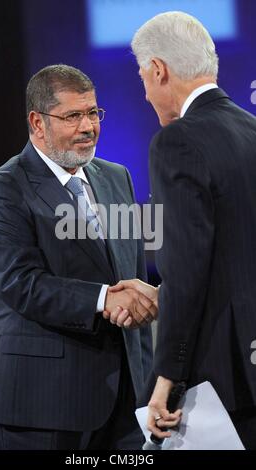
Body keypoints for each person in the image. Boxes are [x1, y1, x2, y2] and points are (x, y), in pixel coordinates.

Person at [0, 64, 157, 450]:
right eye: (73, 116)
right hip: (44, 408)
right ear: (37, 122)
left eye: (93, 113)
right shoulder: (2, 190)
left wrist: (152, 385)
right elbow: (21, 284)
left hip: (125, 404)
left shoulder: (117, 176)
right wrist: (107, 298)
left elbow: (131, 279)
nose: (88, 126)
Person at [108, 11, 256, 450]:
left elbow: (188, 268)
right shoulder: (251, 130)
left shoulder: (177, 141)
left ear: (159, 70)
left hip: (219, 373)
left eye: (142, 79)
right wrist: (163, 295)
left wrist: (166, 378)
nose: (146, 93)